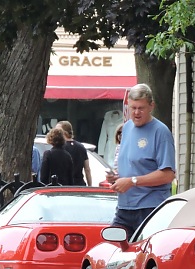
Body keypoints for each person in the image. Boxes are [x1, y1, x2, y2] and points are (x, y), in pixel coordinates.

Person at [108, 83, 176, 236]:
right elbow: (132, 168)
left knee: (144, 255)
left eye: (141, 108)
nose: (136, 113)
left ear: (151, 106)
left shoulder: (160, 132)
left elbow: (168, 175)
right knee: (113, 248)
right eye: (133, 108)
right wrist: (116, 178)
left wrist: (132, 181)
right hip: (125, 208)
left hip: (150, 208)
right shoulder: (126, 128)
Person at [56, 121, 92, 186]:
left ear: (64, 132)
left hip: (63, 186)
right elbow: (87, 169)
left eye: (57, 131)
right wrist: (90, 186)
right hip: (79, 185)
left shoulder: (59, 147)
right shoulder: (81, 147)